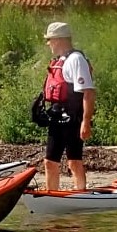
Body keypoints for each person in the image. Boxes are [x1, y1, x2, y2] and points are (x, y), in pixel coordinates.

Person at [35, 22, 95, 192]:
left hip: (73, 116)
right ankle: (52, 195)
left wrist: (86, 121)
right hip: (56, 116)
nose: (48, 44)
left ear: (59, 40)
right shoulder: (58, 61)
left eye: (50, 40)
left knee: (74, 161)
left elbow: (88, 93)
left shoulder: (76, 59)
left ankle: (80, 195)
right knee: (50, 162)